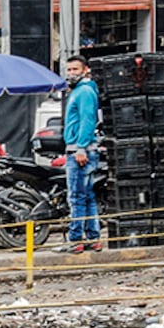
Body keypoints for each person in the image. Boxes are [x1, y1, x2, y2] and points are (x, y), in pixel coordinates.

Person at [60, 54, 103, 253]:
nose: (71, 74)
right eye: (69, 70)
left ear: (86, 70)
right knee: (87, 196)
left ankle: (75, 240)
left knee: (76, 197)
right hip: (83, 149)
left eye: (75, 69)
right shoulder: (81, 91)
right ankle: (93, 238)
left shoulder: (84, 92)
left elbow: (87, 120)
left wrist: (80, 147)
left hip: (80, 151)